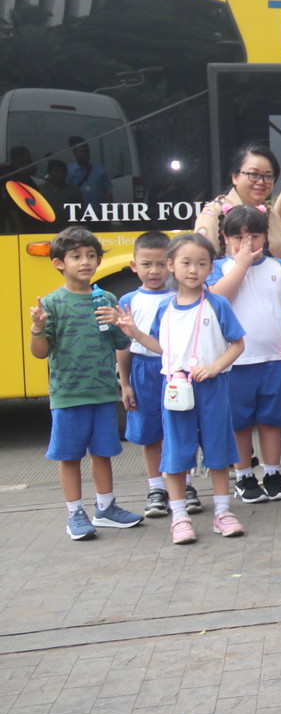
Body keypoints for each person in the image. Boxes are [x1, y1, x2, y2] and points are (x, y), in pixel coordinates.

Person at [116, 234, 248, 544]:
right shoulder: (165, 308)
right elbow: (163, 347)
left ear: (210, 268)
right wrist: (133, 332)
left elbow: (238, 344)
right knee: (175, 450)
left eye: (201, 264)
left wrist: (215, 367)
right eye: (186, 263)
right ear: (171, 265)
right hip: (175, 387)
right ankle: (179, 516)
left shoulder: (218, 304)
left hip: (213, 387)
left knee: (217, 449)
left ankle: (223, 512)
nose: (193, 270)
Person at [28, 226, 142, 541]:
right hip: (68, 394)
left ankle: (105, 508)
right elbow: (41, 353)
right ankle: (75, 513)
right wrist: (37, 328)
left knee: (103, 451)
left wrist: (119, 323)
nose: (85, 262)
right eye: (76, 256)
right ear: (58, 263)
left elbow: (121, 342)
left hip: (104, 392)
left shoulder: (105, 298)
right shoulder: (52, 303)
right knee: (69, 455)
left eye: (91, 255)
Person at [208, 206, 281, 505]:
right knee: (239, 422)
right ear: (226, 238)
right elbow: (217, 299)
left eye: (254, 235)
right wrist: (240, 265)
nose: (247, 243)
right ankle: (243, 475)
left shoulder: (278, 268)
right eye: (238, 236)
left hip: (274, 359)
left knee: (271, 420)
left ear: (265, 237)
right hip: (234, 363)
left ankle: (273, 473)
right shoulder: (218, 267)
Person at [115, 231, 180, 518]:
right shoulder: (129, 300)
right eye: (146, 264)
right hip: (143, 370)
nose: (154, 271)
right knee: (149, 431)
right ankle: (156, 488)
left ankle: (184, 484)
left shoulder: (181, 296)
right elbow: (123, 346)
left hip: (175, 372)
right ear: (133, 266)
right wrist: (125, 383)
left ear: (172, 264)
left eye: (161, 264)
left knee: (179, 428)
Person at [195, 143, 281, 261]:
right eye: (253, 174)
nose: (261, 182)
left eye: (268, 176)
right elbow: (201, 262)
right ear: (235, 177)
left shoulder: (272, 214)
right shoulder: (216, 212)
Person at [65, 136, 112, 208]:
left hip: (98, 214)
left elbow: (107, 193)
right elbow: (65, 193)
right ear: (75, 153)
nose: (84, 154)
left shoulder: (100, 171)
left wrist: (109, 212)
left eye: (86, 151)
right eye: (81, 152)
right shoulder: (68, 171)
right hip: (78, 214)